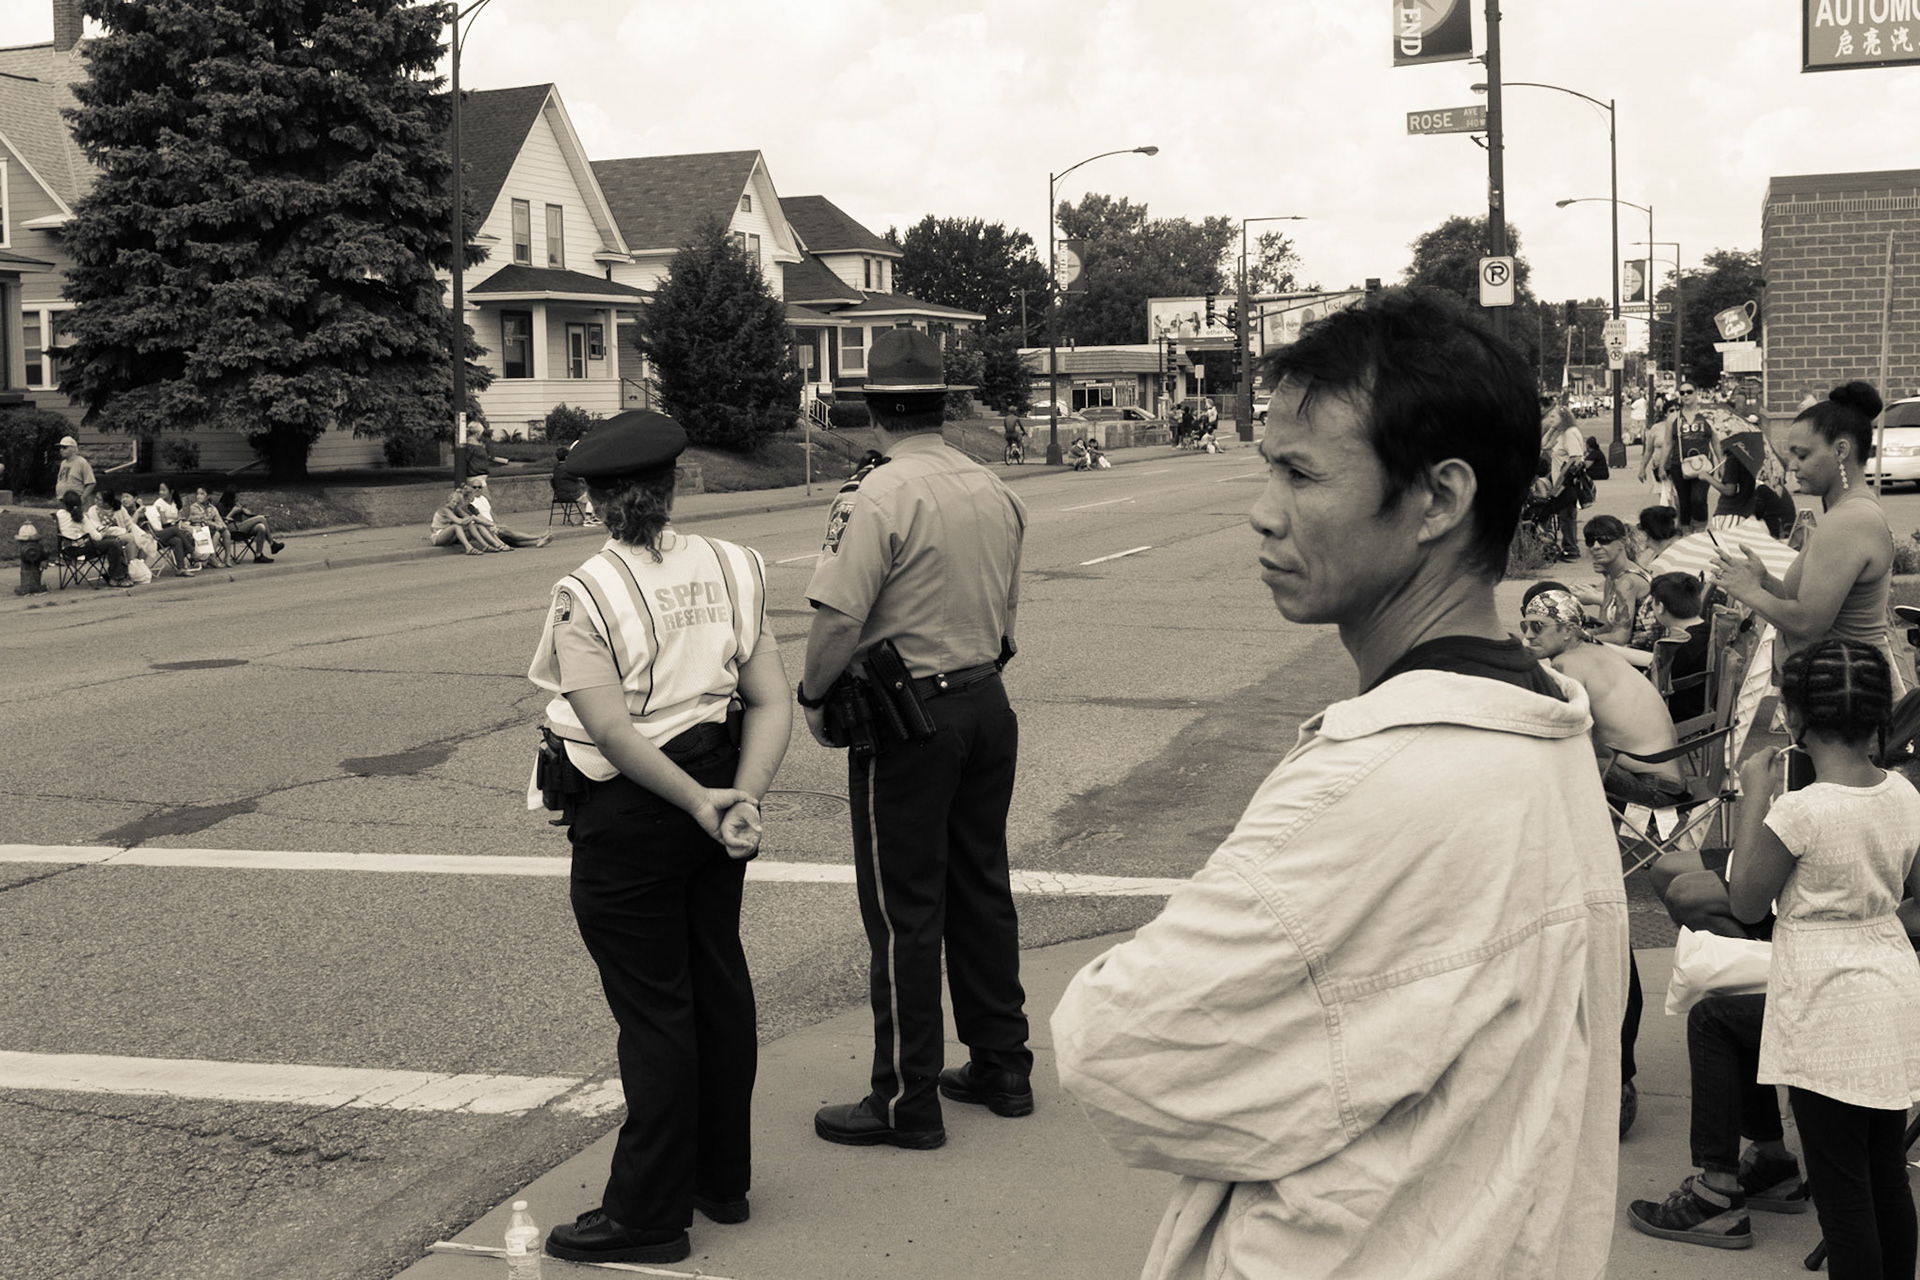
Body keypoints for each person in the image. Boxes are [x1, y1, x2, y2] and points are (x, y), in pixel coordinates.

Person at [1052, 289, 1627, 1278]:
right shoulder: (1545, 726)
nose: (1261, 510)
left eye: (1301, 472)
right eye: (1267, 464)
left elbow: (1115, 1047)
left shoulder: (1378, 781)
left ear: (1438, 500)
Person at [527, 409, 790, 1267]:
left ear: (598, 501)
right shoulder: (735, 565)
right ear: (676, 487)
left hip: (640, 807)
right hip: (719, 773)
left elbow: (610, 730)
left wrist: (694, 802)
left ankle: (648, 1212)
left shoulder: (588, 590)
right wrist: (735, 798)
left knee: (654, 1013)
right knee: (718, 981)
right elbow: (773, 700)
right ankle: (722, 1180)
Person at [800, 328, 1032, 1152]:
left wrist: (814, 696)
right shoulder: (992, 487)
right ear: (943, 403)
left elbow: (836, 621)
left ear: (873, 408)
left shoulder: (877, 496)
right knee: (981, 888)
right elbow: (1006, 613)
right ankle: (1003, 1063)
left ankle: (906, 1097)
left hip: (910, 721)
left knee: (904, 913)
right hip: (985, 702)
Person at [1643, 639, 1920, 1269]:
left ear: (1794, 719)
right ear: (1878, 713)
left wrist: (1753, 799)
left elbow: (1744, 902)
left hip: (1825, 1008)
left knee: (1842, 1193)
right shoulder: (1905, 796)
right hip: (1891, 993)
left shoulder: (1800, 811)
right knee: (1883, 1177)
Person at [1714, 381, 1907, 695]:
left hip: (1846, 697)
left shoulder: (1850, 520)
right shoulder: (1847, 513)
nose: (1793, 466)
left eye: (1802, 455)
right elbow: (1808, 604)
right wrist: (1764, 581)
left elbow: (1808, 622)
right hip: (1836, 688)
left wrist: (1750, 592)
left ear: (1841, 450)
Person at [1625, 991, 1809, 1251]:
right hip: (1866, 1003)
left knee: (1710, 1019)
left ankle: (1716, 1197)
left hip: (1844, 1010)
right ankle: (1773, 1166)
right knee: (1736, 1013)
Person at [1575, 513, 1659, 657]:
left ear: (1622, 542)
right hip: (1624, 651)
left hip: (1642, 655)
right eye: (1590, 541)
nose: (1596, 547)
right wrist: (1579, 633)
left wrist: (1577, 642)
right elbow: (1606, 626)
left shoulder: (1627, 582)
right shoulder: (1612, 577)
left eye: (1603, 541)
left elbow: (1620, 637)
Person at [1649, 571, 1712, 722]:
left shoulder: (1679, 646)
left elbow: (1655, 685)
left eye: (1653, 600)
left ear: (1660, 607)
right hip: (1705, 711)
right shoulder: (1710, 632)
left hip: (1678, 720)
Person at [54, 490, 131, 586]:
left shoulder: (60, 514)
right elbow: (97, 537)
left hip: (67, 549)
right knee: (114, 544)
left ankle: (119, 575)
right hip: (84, 548)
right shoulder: (82, 517)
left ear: (64, 504)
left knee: (112, 543)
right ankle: (117, 577)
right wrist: (105, 533)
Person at [457, 482, 551, 548]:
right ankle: (539, 536)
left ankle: (536, 542)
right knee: (508, 533)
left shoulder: (483, 499)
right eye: (474, 487)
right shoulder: (469, 506)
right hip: (485, 528)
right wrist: (494, 525)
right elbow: (479, 519)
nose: (477, 489)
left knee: (510, 540)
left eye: (479, 487)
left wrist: (498, 523)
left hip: (491, 525)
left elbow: (491, 513)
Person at [430, 487, 507, 554]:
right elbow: (459, 521)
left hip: (451, 538)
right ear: (449, 500)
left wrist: (491, 524)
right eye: (453, 501)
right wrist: (472, 518)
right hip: (438, 537)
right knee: (456, 526)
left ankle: (486, 546)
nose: (455, 504)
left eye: (457, 503)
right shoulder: (444, 510)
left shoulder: (456, 508)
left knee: (475, 525)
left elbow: (468, 518)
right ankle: (468, 548)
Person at [217, 489, 283, 562]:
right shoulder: (220, 506)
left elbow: (249, 515)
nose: (238, 499)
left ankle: (258, 555)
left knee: (261, 527)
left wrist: (244, 509)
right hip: (229, 529)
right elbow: (222, 522)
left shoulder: (236, 505)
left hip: (240, 528)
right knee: (261, 518)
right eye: (236, 497)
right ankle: (272, 543)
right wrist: (232, 512)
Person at [552, 444, 601, 525]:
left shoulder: (557, 468)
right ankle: (588, 519)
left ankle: (590, 516)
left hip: (563, 493)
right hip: (571, 493)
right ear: (567, 457)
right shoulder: (566, 468)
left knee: (587, 496)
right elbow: (578, 474)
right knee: (593, 497)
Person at [186, 487, 233, 563]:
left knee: (226, 532)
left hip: (209, 529)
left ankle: (228, 557)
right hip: (198, 529)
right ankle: (212, 558)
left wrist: (222, 526)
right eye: (197, 494)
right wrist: (215, 525)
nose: (199, 496)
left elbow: (219, 520)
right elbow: (203, 519)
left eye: (202, 494)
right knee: (217, 533)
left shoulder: (213, 508)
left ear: (208, 496)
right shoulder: (194, 507)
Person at [462, 422, 509, 491]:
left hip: (479, 475)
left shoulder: (476, 444)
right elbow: (466, 459)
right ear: (478, 432)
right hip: (476, 476)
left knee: (482, 498)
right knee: (483, 498)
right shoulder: (472, 446)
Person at [53, 435, 95, 504]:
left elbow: (91, 482)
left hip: (76, 500)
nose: (61, 450)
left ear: (73, 449)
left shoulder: (81, 462)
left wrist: (83, 498)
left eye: (64, 447)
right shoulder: (63, 463)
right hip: (63, 500)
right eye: (60, 447)